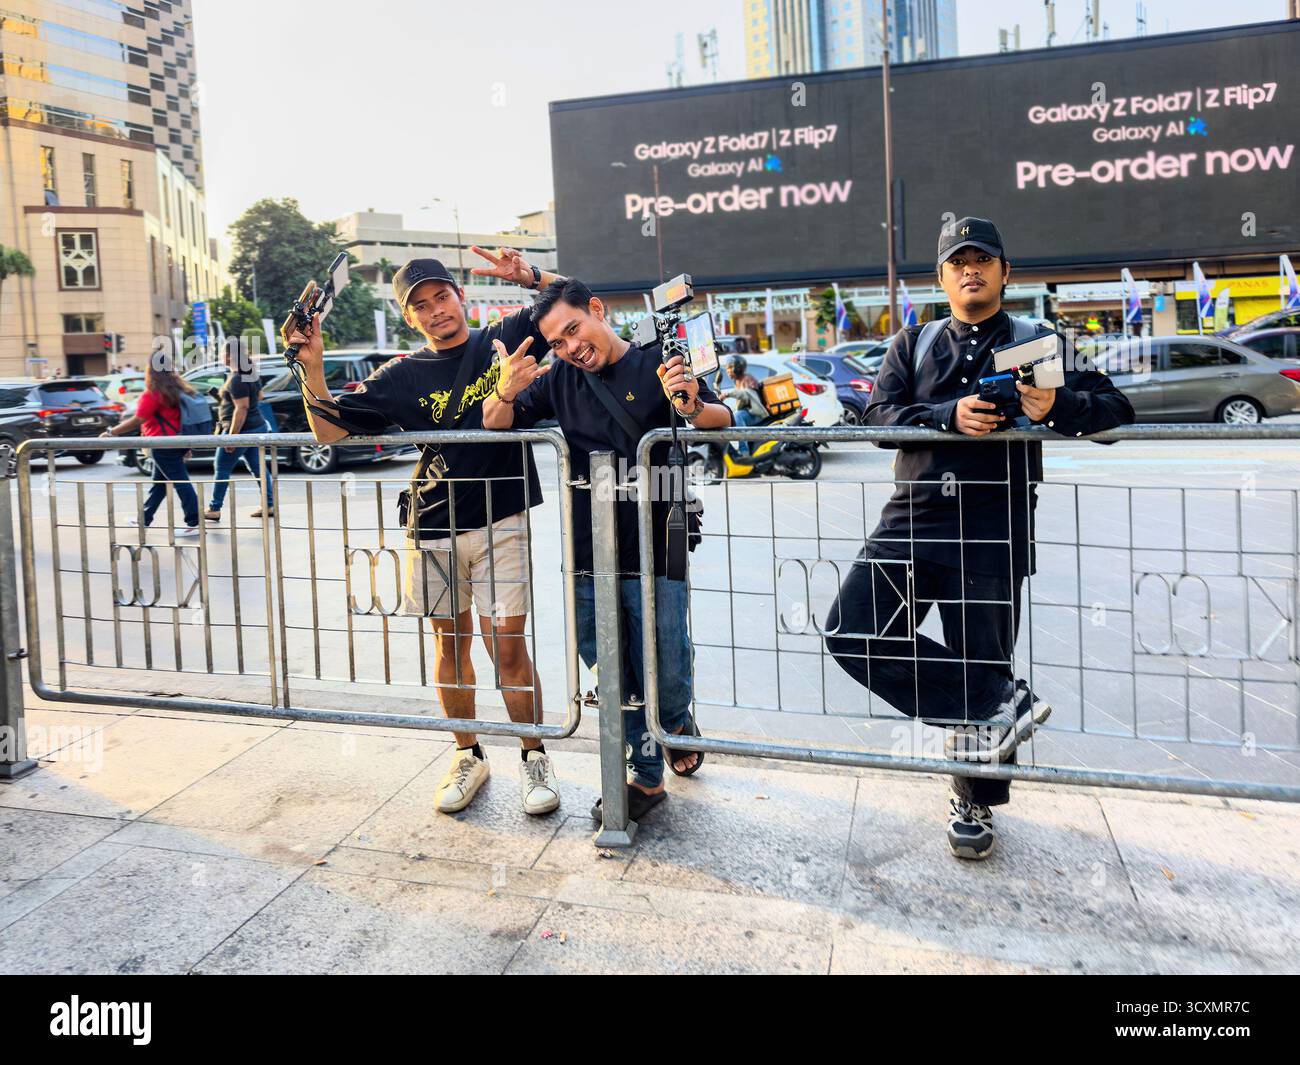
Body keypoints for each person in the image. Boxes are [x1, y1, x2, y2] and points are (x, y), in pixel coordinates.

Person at [823, 217, 1135, 860]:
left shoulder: (1038, 340)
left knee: (983, 659)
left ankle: (974, 796)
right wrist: (946, 417)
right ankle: (998, 700)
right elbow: (878, 417)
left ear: (1004, 272)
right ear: (940, 277)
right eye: (958, 261)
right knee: (851, 632)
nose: (971, 270)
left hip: (993, 532)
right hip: (909, 524)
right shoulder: (914, 341)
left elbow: (1115, 412)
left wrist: (1059, 410)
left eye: (983, 259)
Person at [287, 248, 566, 818]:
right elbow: (327, 432)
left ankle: (534, 756)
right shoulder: (402, 374)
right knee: (451, 643)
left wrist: (531, 277)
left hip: (503, 515)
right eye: (421, 305)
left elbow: (574, 300)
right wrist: (310, 366)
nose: (436, 310)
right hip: (433, 522)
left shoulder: (505, 336)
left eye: (442, 296)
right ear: (409, 318)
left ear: (459, 297)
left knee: (506, 644)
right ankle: (468, 754)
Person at [482, 278, 732, 823]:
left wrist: (689, 405)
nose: (570, 347)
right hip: (588, 546)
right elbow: (494, 424)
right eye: (557, 342)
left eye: (574, 329)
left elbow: (722, 420)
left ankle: (675, 720)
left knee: (664, 661)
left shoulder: (657, 363)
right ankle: (643, 775)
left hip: (659, 539)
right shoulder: (560, 380)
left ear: (596, 310)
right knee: (608, 661)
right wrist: (505, 389)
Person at [102, 361, 201, 536]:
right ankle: (144, 519)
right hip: (177, 441)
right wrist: (187, 445)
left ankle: (194, 522)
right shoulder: (177, 391)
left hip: (161, 444)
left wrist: (112, 432)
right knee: (159, 485)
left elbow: (138, 419)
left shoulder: (154, 394)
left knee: (181, 482)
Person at [204, 343, 274, 521]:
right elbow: (259, 397)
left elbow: (241, 408)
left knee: (222, 468)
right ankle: (269, 505)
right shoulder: (249, 373)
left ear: (229, 356)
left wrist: (232, 438)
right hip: (255, 426)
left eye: (220, 353)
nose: (219, 357)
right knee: (258, 467)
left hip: (242, 430)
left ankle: (214, 508)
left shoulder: (237, 379)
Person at [723, 355, 767, 456]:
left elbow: (746, 395)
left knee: (738, 416)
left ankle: (744, 451)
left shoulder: (747, 379)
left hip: (757, 414)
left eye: (729, 368)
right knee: (733, 414)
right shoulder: (738, 381)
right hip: (750, 412)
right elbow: (741, 405)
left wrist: (728, 394)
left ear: (737, 368)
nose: (727, 371)